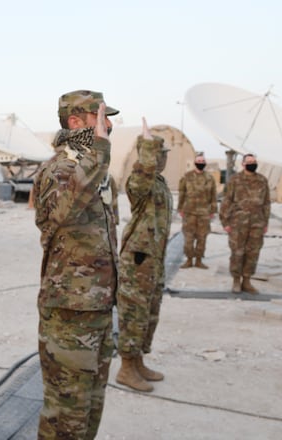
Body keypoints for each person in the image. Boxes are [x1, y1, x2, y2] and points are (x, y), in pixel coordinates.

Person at [32, 90, 118, 439]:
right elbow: (65, 213)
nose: (108, 125)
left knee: (91, 406)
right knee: (66, 413)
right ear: (76, 123)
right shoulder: (57, 170)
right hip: (69, 312)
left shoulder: (94, 170)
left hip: (96, 306)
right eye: (101, 117)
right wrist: (99, 153)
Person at [116, 119, 173, 393]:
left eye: (163, 155)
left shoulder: (160, 183)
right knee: (134, 313)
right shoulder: (139, 180)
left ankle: (137, 361)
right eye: (158, 154)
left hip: (154, 257)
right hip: (138, 258)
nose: (162, 159)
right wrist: (147, 147)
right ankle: (126, 368)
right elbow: (142, 177)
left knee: (149, 312)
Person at [219, 153, 270, 294]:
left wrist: (265, 222)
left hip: (257, 222)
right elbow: (226, 201)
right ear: (243, 164)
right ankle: (236, 280)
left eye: (254, 161)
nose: (252, 163)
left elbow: (266, 203)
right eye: (249, 161)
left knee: (253, 252)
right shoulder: (235, 180)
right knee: (237, 252)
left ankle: (247, 281)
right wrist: (225, 222)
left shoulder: (262, 180)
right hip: (238, 222)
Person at [177, 152, 217, 269]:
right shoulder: (187, 176)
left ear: (205, 163)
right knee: (188, 238)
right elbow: (182, 193)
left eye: (202, 162)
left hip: (204, 213)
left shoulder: (209, 178)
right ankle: (189, 260)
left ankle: (199, 260)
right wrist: (180, 208)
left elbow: (213, 195)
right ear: (195, 163)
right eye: (198, 161)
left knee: (202, 237)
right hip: (189, 212)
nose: (200, 163)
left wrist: (213, 211)